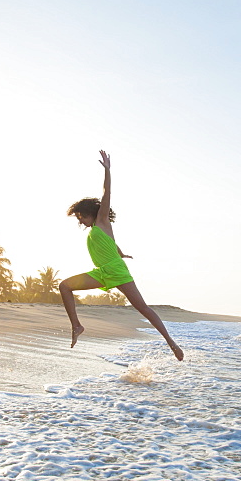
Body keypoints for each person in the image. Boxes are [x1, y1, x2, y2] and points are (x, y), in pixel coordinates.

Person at [59, 150, 184, 361]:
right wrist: (121, 252)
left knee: (142, 307)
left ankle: (172, 343)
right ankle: (77, 326)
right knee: (65, 285)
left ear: (91, 213)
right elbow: (111, 243)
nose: (80, 221)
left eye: (81, 217)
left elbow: (107, 192)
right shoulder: (95, 231)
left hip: (115, 270)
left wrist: (107, 170)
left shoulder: (101, 221)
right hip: (102, 272)